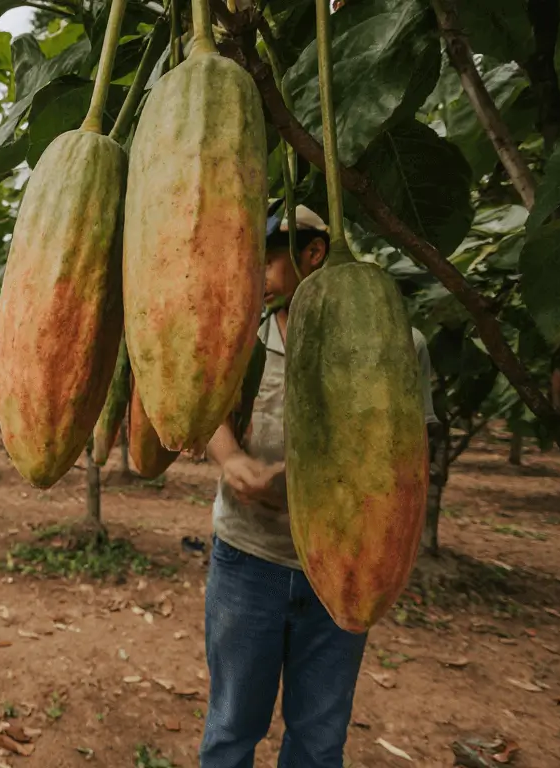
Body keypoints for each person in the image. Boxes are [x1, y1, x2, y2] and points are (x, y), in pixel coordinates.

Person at [199, 204, 439, 768]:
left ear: (314, 254)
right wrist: (232, 457)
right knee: (233, 724)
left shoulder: (399, 343)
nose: (254, 278)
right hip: (248, 557)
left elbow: (406, 453)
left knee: (319, 736)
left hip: (343, 566)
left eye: (269, 261)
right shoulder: (242, 336)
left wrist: (324, 483)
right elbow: (212, 411)